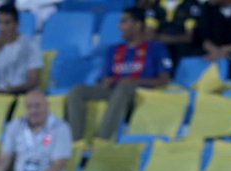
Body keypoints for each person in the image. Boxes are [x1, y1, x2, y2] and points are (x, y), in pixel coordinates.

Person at [66, 8, 173, 143]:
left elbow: (164, 80)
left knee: (124, 87)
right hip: (115, 91)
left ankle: (101, 141)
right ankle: (75, 142)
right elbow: (104, 78)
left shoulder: (156, 48)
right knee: (76, 91)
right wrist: (106, 81)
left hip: (140, 92)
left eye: (124, 22)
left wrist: (134, 81)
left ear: (137, 25)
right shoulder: (114, 50)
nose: (119, 26)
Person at [0, 3, 42, 94]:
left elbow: (33, 80)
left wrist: (13, 90)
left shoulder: (30, 45)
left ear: (16, 25)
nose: (1, 28)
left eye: (7, 23)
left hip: (20, 93)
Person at [139, 0, 205, 63]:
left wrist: (161, 38)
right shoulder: (155, 4)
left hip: (184, 53)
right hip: (162, 52)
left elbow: (189, 37)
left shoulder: (190, 3)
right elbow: (149, 35)